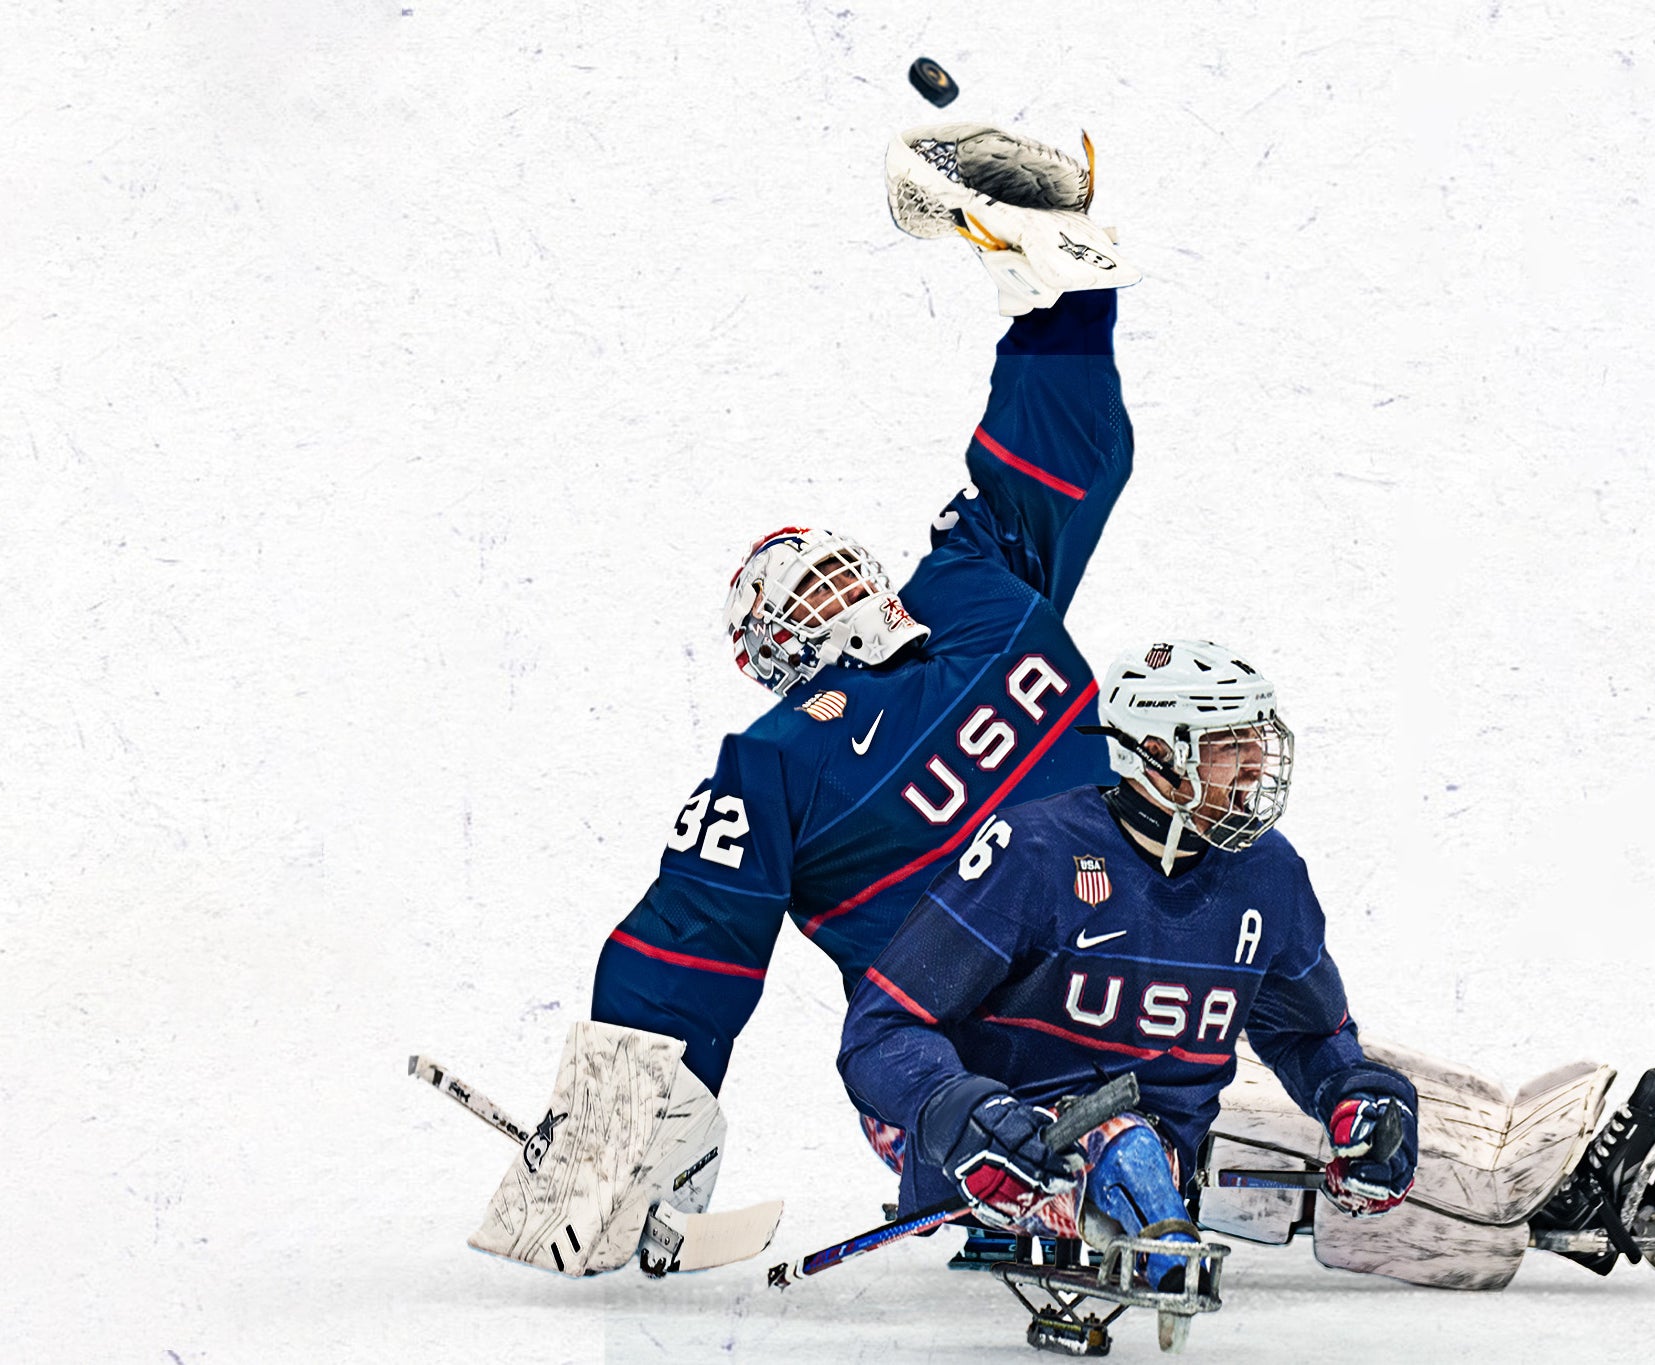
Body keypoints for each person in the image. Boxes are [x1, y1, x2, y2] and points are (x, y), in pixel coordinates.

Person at [468, 121, 1147, 1277]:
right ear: (771, 653)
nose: (830, 589)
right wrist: (621, 1145)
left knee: (1356, 1149)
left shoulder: (980, 587)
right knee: (1115, 1168)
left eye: (835, 564)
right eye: (793, 595)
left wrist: (1058, 296)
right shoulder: (774, 761)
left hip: (1157, 989)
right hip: (984, 1067)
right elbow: (686, 945)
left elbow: (1058, 453)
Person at [835, 641, 1422, 1286]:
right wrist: (961, 1111)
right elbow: (880, 1030)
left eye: (1258, 733)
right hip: (989, 1138)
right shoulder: (1033, 850)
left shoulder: (1271, 874)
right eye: (1229, 740)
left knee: (1138, 1142)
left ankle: (1149, 1204)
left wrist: (1359, 1101)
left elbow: (1311, 1034)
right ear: (1158, 754)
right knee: (1125, 1143)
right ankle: (1158, 1236)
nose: (1257, 761)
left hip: (1152, 1143)